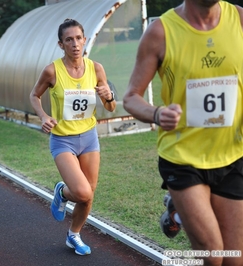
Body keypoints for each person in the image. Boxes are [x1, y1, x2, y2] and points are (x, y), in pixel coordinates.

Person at [123, 1, 243, 265]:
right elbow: (131, 97)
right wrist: (156, 114)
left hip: (232, 155)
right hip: (183, 158)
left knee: (234, 259)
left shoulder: (239, 19)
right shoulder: (160, 32)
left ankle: (176, 211)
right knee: (212, 254)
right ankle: (180, 206)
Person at [30, 19, 116, 256]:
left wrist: (108, 96)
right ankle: (62, 192)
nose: (75, 44)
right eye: (69, 39)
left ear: (85, 40)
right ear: (61, 44)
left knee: (89, 195)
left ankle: (74, 235)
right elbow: (34, 96)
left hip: (89, 138)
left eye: (78, 38)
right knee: (82, 192)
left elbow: (110, 107)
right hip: (63, 140)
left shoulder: (96, 69)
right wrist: (43, 115)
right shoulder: (52, 70)